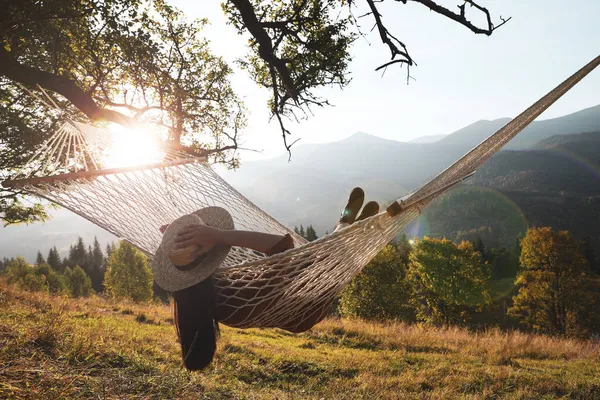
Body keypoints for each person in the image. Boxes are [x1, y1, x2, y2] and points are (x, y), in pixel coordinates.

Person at [159, 187, 379, 371]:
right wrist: (218, 235)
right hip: (307, 306)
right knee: (315, 261)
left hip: (282, 291)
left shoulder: (200, 293)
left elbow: (281, 257)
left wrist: (175, 241)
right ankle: (349, 227)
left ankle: (347, 226)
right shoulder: (231, 300)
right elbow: (283, 247)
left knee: (310, 259)